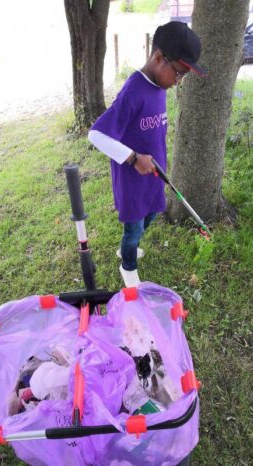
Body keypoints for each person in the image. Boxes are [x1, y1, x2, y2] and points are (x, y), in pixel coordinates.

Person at [88, 22, 207, 287]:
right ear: (157, 58)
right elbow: (96, 135)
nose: (178, 82)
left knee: (151, 216)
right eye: (178, 73)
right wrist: (132, 158)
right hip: (132, 182)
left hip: (155, 175)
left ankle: (130, 245)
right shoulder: (133, 91)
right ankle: (127, 266)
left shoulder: (158, 88)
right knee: (133, 231)